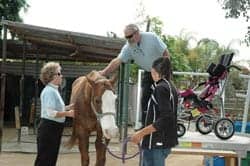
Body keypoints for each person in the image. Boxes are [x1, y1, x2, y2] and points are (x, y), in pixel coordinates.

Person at [99, 23, 170, 127]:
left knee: (163, 98)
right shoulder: (128, 47)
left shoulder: (151, 37)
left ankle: (166, 125)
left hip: (162, 71)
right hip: (149, 72)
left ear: (137, 33)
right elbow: (117, 61)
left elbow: (166, 53)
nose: (128, 39)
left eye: (129, 36)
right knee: (145, 100)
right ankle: (146, 125)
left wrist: (164, 72)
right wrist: (103, 72)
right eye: (126, 37)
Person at [130, 57, 178, 166]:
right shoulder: (171, 87)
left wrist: (141, 133)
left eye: (152, 72)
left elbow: (166, 118)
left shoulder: (161, 88)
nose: (151, 75)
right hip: (161, 141)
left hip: (157, 142)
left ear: (157, 73)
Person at [34, 62, 75, 166]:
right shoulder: (49, 92)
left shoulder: (53, 90)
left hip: (53, 128)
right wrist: (68, 113)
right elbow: (51, 113)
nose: (61, 76)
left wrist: (68, 107)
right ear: (51, 76)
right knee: (45, 159)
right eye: (59, 73)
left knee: (50, 158)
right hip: (49, 128)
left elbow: (55, 109)